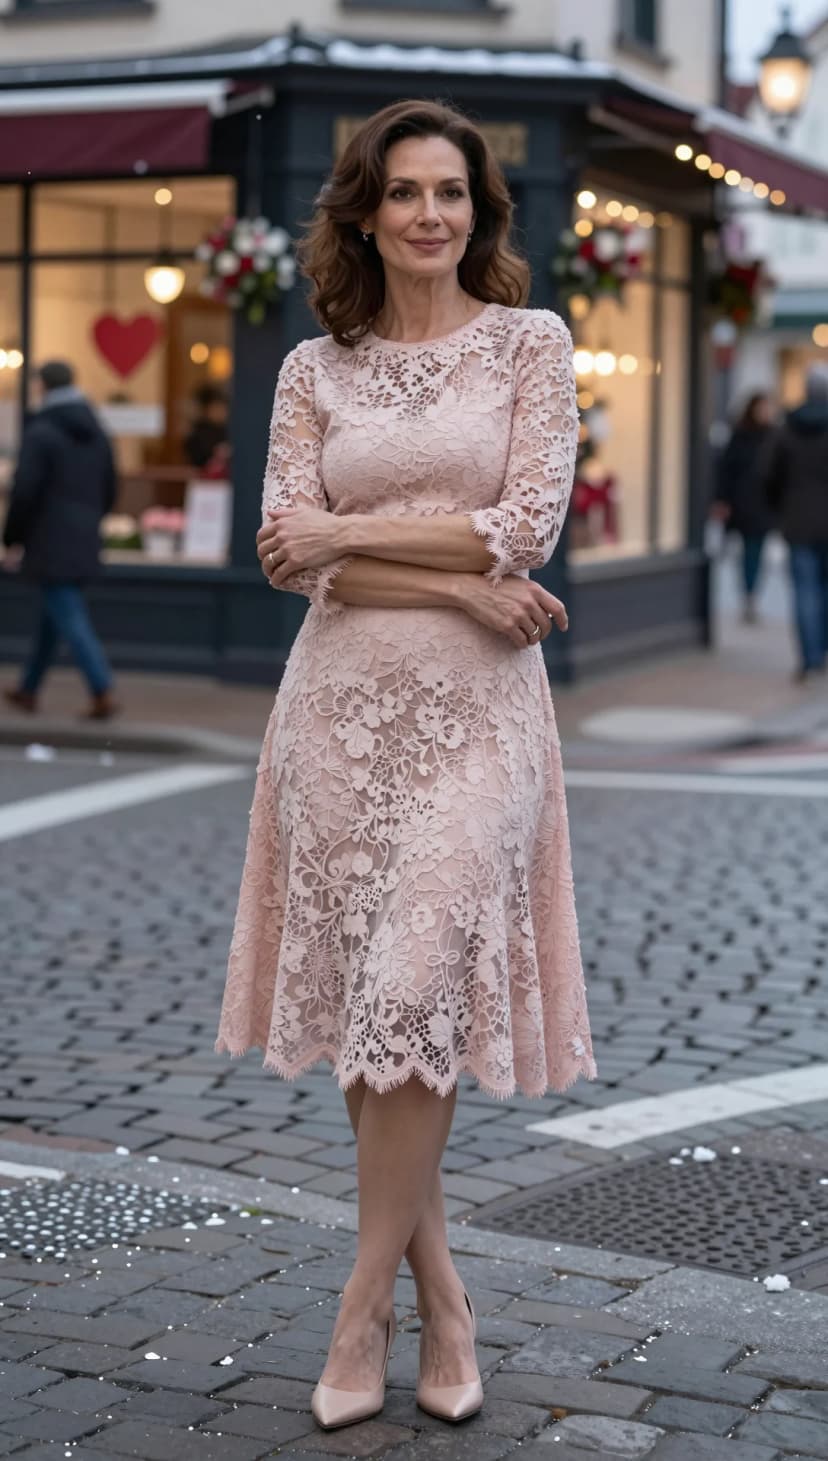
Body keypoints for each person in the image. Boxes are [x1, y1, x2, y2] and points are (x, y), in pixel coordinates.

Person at [214, 99, 596, 1432]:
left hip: (480, 720)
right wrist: (456, 577)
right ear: (366, 215)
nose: (430, 213)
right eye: (405, 192)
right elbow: (282, 549)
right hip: (334, 715)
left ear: (478, 213)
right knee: (378, 1007)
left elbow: (527, 524)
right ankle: (447, 1298)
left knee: (417, 978)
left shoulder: (531, 344)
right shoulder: (312, 369)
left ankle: (360, 1303)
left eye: (451, 192)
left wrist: (354, 540)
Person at [3, 360, 119, 719]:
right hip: (83, 535)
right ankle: (28, 689)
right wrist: (90, 519)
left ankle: (101, 688)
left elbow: (24, 491)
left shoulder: (41, 431)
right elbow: (111, 486)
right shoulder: (96, 430)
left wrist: (11, 537)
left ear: (42, 386)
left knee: (68, 614)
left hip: (48, 539)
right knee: (53, 616)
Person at [760, 363, 828, 681]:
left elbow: (769, 475)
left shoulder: (787, 429)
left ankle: (810, 657)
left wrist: (780, 508)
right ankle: (820, 650)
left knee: (805, 590)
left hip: (798, 520)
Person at [711, 391, 775, 623]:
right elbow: (725, 471)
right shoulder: (740, 436)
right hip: (742, 504)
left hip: (765, 505)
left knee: (756, 552)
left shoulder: (774, 436)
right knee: (749, 551)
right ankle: (748, 596)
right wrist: (721, 500)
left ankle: (751, 595)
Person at [183, 383, 229, 470]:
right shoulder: (198, 433)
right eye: (217, 407)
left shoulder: (227, 430)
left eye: (223, 407)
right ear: (206, 409)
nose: (222, 411)